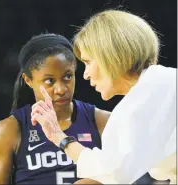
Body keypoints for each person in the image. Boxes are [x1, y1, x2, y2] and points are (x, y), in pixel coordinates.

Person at [30, 10, 176, 184]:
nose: (86, 75)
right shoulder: (159, 85)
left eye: (88, 62)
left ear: (110, 56)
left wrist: (58, 136)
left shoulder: (144, 99)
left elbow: (113, 173)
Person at [0, 33, 111, 184]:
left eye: (67, 77)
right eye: (49, 81)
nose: (61, 89)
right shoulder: (7, 130)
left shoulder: (103, 121)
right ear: (28, 80)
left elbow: (127, 177)